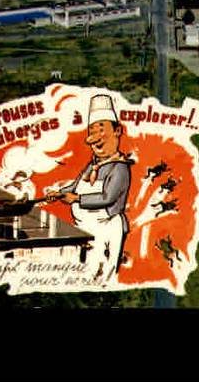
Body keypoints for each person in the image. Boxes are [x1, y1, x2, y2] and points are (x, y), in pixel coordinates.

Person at [47, 94, 134, 284]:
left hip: (106, 230)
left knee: (101, 275)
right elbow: (76, 185)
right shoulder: (92, 165)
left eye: (101, 129)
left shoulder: (119, 167)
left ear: (117, 131)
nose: (96, 141)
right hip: (84, 229)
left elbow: (107, 197)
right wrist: (60, 192)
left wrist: (77, 199)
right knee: (81, 271)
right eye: (92, 132)